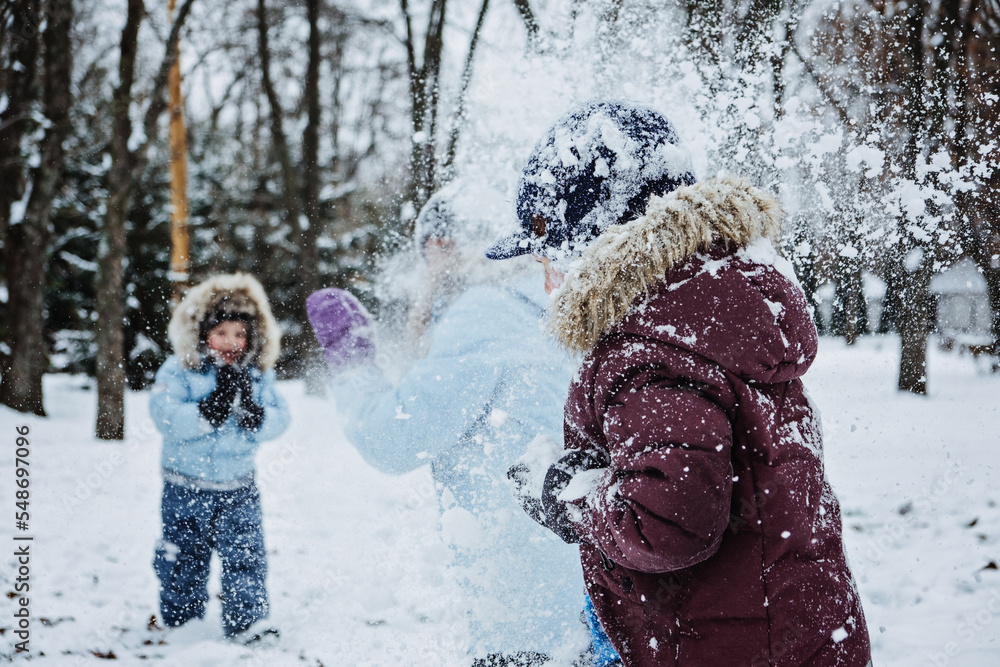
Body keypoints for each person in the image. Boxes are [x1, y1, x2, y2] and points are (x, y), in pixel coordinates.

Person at [486, 100, 872, 666]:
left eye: (551, 259)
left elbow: (669, 524)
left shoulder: (651, 349)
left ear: (596, 241)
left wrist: (567, 501)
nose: (548, 284)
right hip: (791, 635)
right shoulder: (714, 312)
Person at [307, 183, 601, 666]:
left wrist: (352, 359)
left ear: (453, 245)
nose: (430, 260)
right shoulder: (547, 307)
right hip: (578, 599)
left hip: (523, 614)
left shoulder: (486, 312)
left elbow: (394, 438)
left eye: (437, 244)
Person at [149, 273, 290, 643]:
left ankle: (248, 621)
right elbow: (163, 414)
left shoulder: (257, 376)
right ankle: (183, 621)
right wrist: (206, 413)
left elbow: (281, 417)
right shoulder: (181, 370)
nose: (231, 342)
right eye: (222, 333)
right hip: (185, 486)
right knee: (182, 559)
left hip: (237, 487)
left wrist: (257, 417)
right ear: (201, 333)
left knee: (246, 557)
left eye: (240, 334)